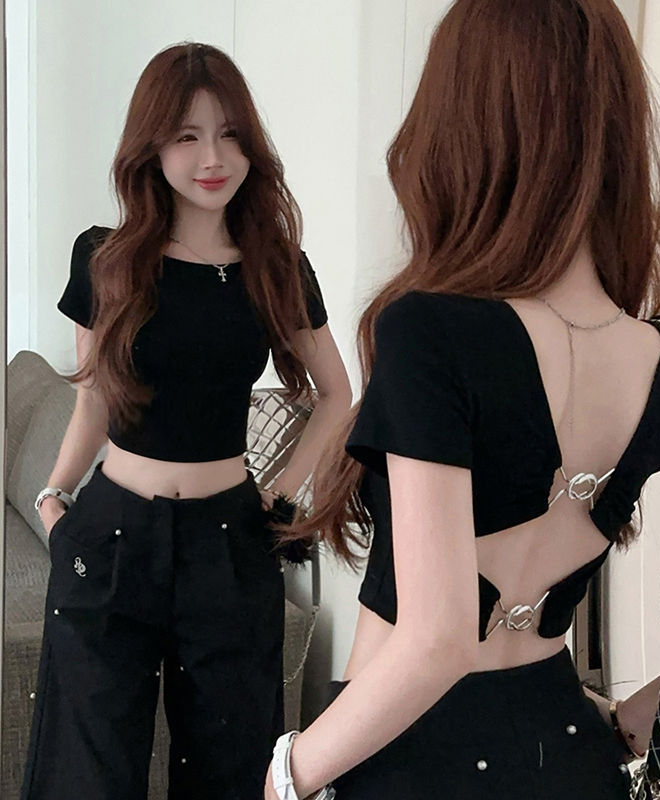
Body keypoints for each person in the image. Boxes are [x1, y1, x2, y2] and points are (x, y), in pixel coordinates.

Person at [263, 1, 660, 798]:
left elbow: (438, 640)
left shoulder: (429, 331)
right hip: (572, 752)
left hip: (410, 759)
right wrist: (644, 717)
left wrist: (289, 773)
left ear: (460, 127)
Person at [22, 43, 352, 800]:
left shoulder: (275, 266)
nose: (213, 157)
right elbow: (95, 398)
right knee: (86, 773)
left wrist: (281, 497)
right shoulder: (106, 259)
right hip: (110, 534)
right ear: (152, 145)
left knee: (231, 771)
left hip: (228, 543)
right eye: (187, 135)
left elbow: (337, 395)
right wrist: (55, 496)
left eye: (231, 134)